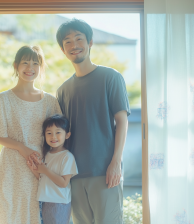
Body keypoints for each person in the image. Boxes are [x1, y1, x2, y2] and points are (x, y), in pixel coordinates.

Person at [56, 18, 130, 223]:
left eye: (79, 38)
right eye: (67, 42)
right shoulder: (62, 91)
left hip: (105, 172)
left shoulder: (111, 77)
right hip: (74, 175)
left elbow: (122, 122)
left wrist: (116, 162)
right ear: (63, 50)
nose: (74, 45)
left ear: (90, 43)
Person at [0, 45, 62, 224]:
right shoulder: (3, 99)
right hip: (12, 166)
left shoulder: (50, 101)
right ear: (16, 65)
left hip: (41, 165)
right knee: (11, 213)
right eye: (25, 62)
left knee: (40, 213)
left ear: (40, 68)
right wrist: (20, 147)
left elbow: (59, 136)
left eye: (35, 63)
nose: (30, 68)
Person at [27, 114, 78, 224]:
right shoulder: (47, 154)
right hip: (45, 201)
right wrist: (35, 170)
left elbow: (64, 183)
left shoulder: (67, 157)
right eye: (49, 133)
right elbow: (44, 178)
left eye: (58, 132)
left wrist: (45, 170)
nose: (53, 136)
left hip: (58, 202)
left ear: (67, 135)